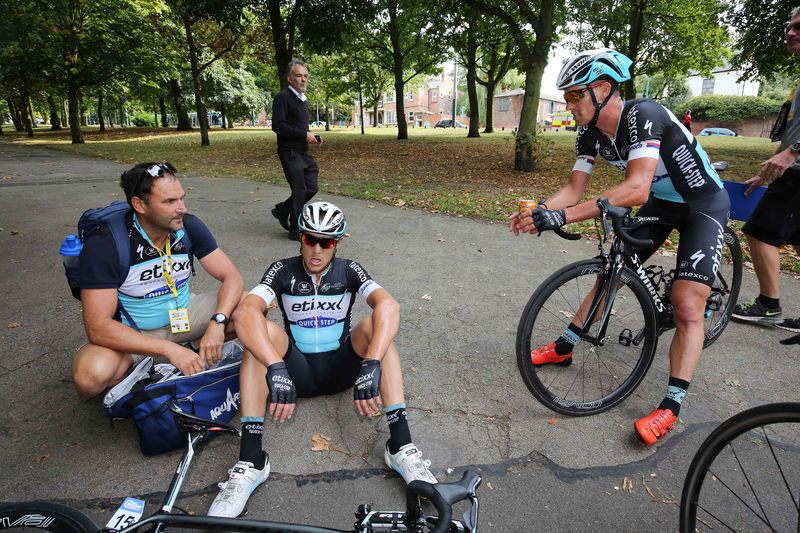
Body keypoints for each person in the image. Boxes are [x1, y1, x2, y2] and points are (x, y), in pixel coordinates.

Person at [509, 48, 730, 446]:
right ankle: (566, 345)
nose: (568, 104)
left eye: (575, 95)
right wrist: (541, 210)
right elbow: (575, 188)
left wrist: (564, 217)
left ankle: (671, 406)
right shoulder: (590, 133)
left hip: (702, 203)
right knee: (613, 270)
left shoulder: (643, 114)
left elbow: (635, 187)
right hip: (662, 205)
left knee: (687, 306)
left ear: (603, 90)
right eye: (566, 97)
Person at [209, 201, 436, 518]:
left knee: (376, 328)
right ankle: (251, 460)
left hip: (340, 368)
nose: (316, 250)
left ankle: (401, 446)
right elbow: (245, 312)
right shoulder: (283, 269)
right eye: (309, 239)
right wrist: (275, 367)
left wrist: (371, 363)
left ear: (337, 243)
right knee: (256, 331)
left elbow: (389, 307)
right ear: (300, 237)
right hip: (295, 372)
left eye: (326, 242)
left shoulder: (349, 270)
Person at [72, 162, 244, 398]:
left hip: (183, 316)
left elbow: (231, 277)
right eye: (170, 202)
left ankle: (191, 351)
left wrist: (218, 322)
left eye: (181, 198)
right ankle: (158, 361)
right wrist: (167, 349)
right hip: (135, 332)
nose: (181, 208)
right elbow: (98, 326)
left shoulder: (188, 226)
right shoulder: (106, 244)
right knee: (89, 377)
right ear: (139, 204)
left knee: (248, 305)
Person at [731, 7, 800, 333]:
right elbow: (792, 134)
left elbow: (794, 144)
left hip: (798, 171)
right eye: (789, 26)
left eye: (798, 27)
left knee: (758, 232)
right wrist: (767, 172)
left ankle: (769, 306)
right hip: (792, 167)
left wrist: (792, 154)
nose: (790, 32)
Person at [270, 59, 321, 241]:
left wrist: (310, 136)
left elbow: (300, 127)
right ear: (290, 79)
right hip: (288, 151)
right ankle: (295, 230)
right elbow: (278, 126)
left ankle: (282, 210)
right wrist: (302, 134)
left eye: (306, 76)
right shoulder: (282, 98)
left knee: (311, 186)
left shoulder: (303, 101)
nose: (303, 79)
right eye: (299, 76)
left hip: (302, 151)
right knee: (299, 189)